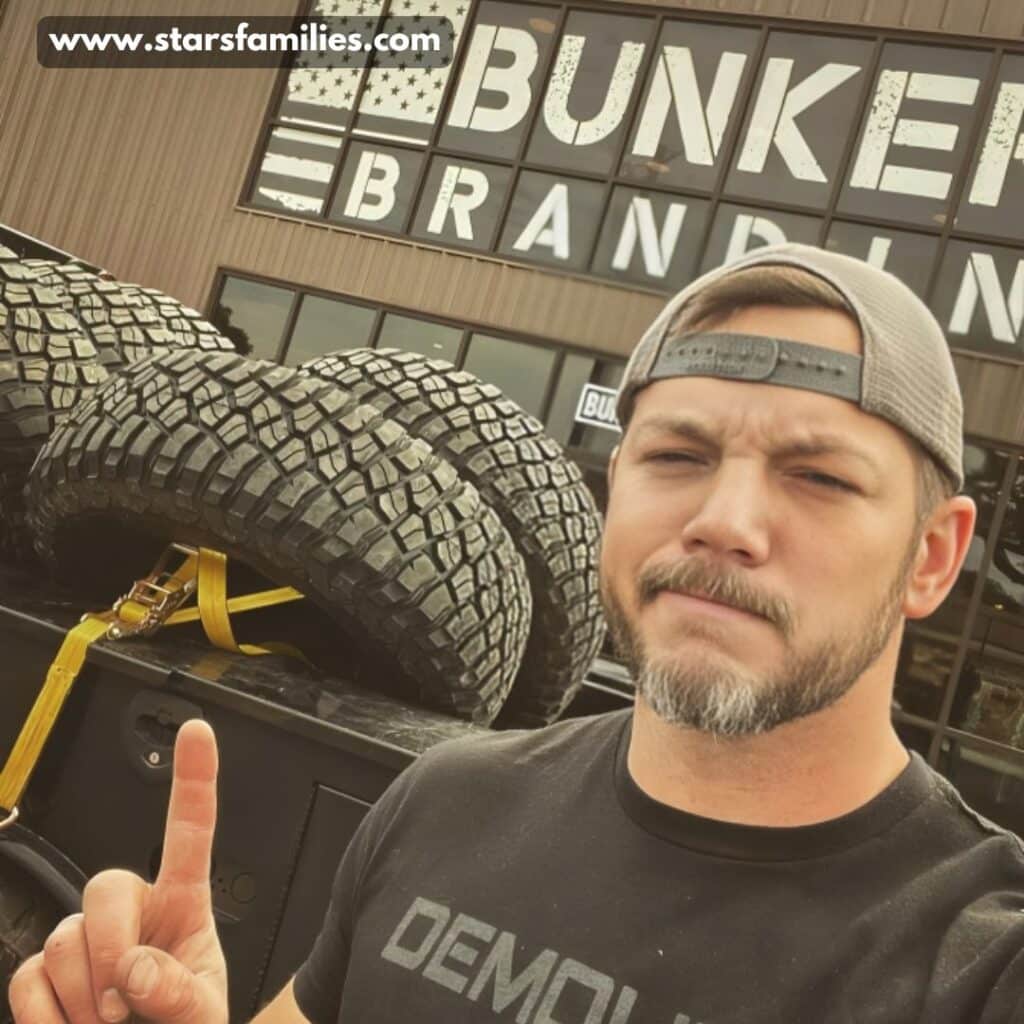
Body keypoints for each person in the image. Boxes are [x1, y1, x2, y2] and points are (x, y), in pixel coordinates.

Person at [11, 242, 1024, 1024]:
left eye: (820, 476)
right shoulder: (449, 798)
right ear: (615, 488)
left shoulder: (972, 960)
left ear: (933, 555)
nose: (724, 520)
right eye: (677, 454)